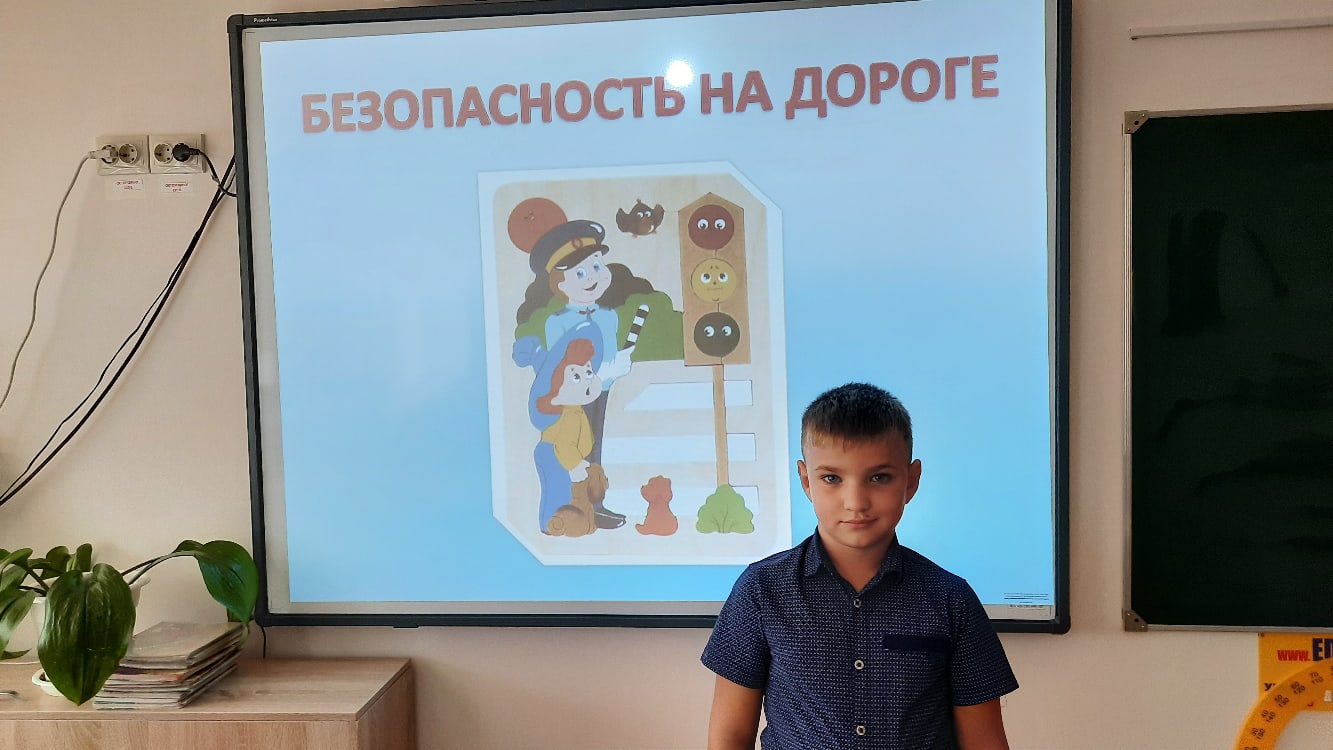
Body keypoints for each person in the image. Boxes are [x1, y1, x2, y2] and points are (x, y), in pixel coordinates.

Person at [701, 382, 1017, 749]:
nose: (855, 502)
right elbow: (729, 737)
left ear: (911, 480)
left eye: (879, 477)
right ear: (806, 480)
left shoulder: (951, 599)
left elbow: (985, 741)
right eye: (831, 478)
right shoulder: (761, 589)